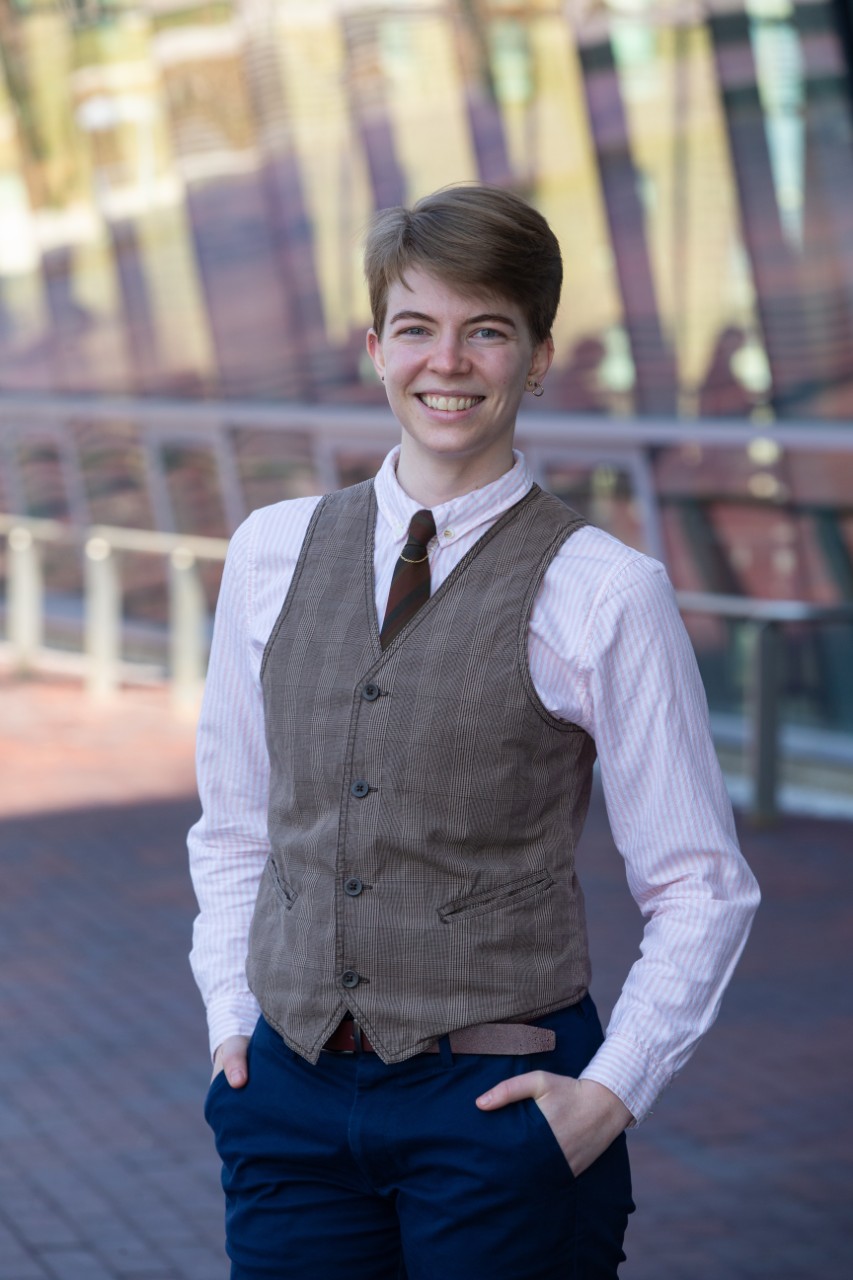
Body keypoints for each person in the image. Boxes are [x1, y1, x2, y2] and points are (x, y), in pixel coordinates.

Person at [189, 184, 760, 1280]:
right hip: (289, 1102)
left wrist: (611, 1094)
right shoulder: (268, 551)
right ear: (375, 349)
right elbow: (235, 829)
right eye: (416, 328)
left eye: (485, 331)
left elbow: (701, 884)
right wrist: (230, 1020)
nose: (445, 362)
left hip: (501, 1103)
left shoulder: (604, 590)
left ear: (537, 358)